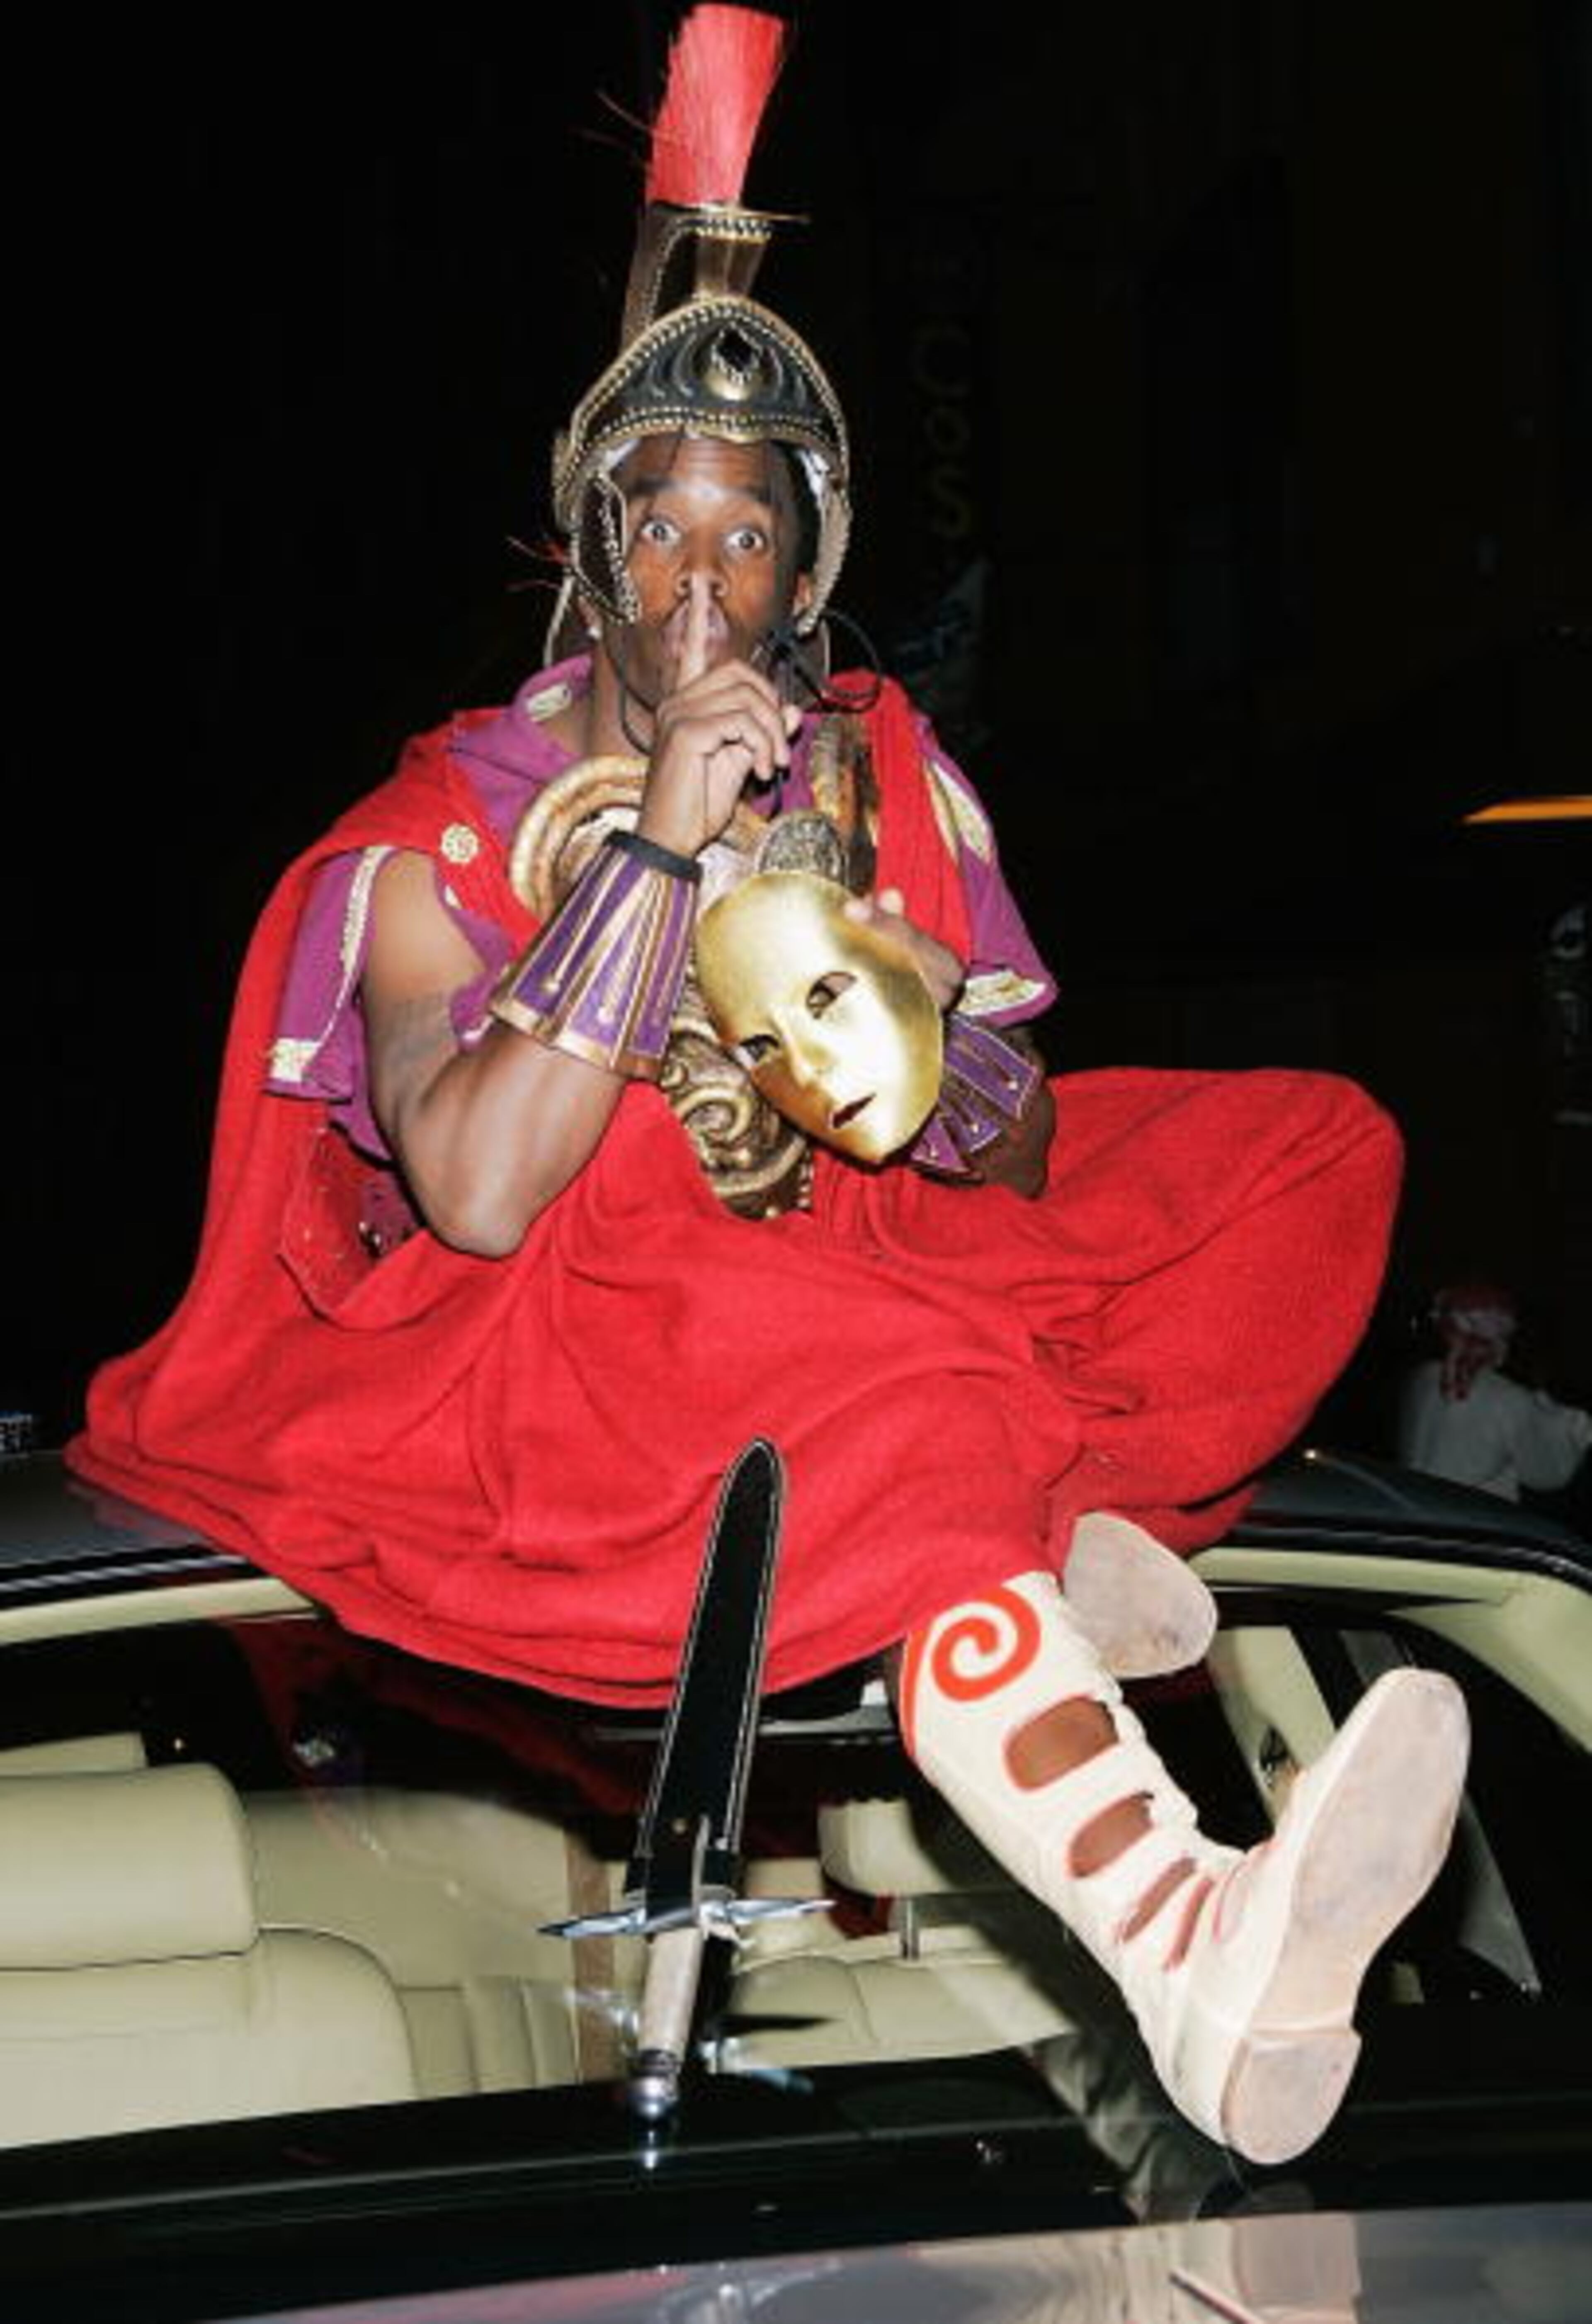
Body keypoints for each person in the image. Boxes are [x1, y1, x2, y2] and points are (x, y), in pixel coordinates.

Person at [69, 5, 1467, 2166]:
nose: (701, 585)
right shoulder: (438, 829)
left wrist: (912, 1042)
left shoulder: (893, 776)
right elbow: (473, 1186)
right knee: (716, 1254)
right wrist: (652, 861)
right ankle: (1187, 1929)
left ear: (807, 569)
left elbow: (1020, 1136)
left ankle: (1035, 1537)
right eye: (658, 535)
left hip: (880, 1289)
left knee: (1308, 1148)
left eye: (748, 541)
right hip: (591, 1358)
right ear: (586, 555)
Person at [1398, 1279, 1592, 1502]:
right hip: (1471, 1524)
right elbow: (1549, 1473)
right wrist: (1574, 1426)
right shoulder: (1504, 1398)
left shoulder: (1422, 1378)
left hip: (1417, 1510)